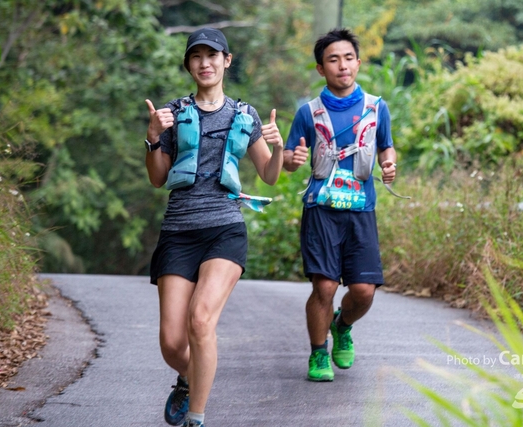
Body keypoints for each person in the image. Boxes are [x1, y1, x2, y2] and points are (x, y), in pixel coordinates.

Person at [144, 28, 283, 427]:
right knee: (172, 343)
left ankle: (197, 418)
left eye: (212, 55)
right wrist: (153, 138)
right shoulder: (172, 113)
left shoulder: (245, 115)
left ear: (227, 60)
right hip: (179, 231)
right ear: (189, 64)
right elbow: (157, 179)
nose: (204, 63)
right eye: (196, 56)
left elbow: (269, 175)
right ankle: (189, 378)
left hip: (225, 228)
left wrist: (277, 148)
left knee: (201, 321)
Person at [283, 28, 397, 382]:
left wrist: (389, 164)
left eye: (348, 58)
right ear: (321, 68)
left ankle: (342, 325)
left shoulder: (376, 107)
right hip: (321, 210)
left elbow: (386, 146)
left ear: (358, 63)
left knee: (363, 292)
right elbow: (288, 158)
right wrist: (292, 159)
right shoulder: (308, 113)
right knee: (325, 287)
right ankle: (318, 353)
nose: (342, 66)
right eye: (333, 60)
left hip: (361, 210)